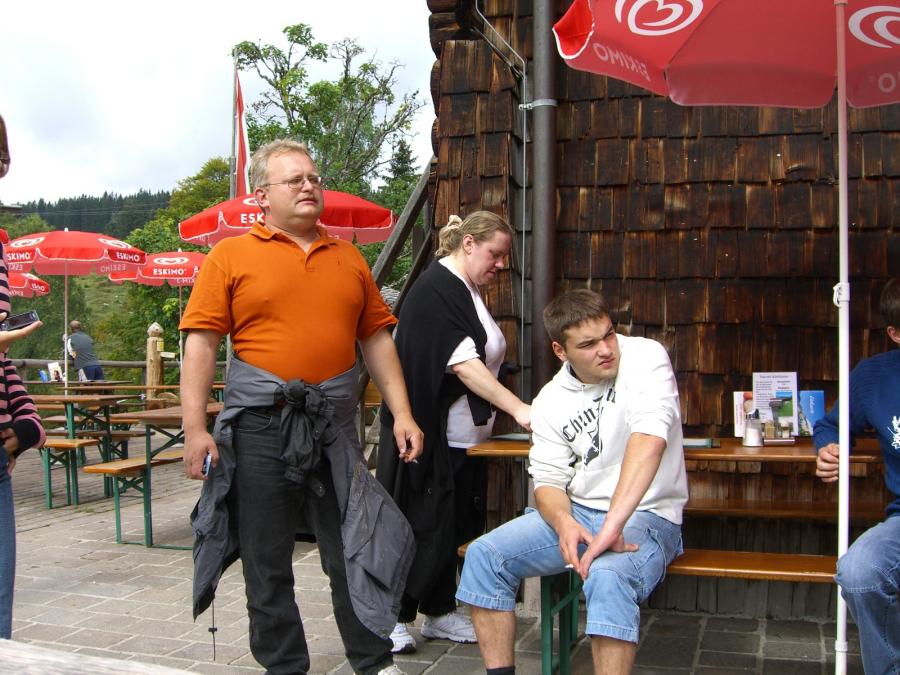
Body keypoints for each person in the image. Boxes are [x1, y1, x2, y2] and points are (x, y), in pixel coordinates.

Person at [180, 138, 424, 675]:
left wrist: (402, 414)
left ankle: (373, 661)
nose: (309, 186)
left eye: (314, 178)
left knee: (353, 546)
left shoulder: (348, 257)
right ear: (261, 196)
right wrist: (195, 427)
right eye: (295, 180)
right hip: (259, 429)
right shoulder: (229, 256)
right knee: (266, 559)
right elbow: (201, 341)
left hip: (333, 429)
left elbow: (376, 339)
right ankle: (285, 667)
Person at [456, 288, 688, 675]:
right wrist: (564, 522)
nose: (606, 350)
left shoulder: (645, 357)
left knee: (608, 576)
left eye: (608, 334)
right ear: (560, 351)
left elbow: (650, 438)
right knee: (485, 557)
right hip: (580, 513)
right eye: (588, 344)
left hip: (647, 514)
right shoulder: (551, 400)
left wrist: (611, 525)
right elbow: (548, 482)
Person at [377, 211, 532, 654]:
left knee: (454, 524)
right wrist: (519, 409)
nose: (500, 264)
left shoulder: (467, 287)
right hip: (430, 434)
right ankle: (392, 617)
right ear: (468, 244)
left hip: (466, 437)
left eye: (503, 256)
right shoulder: (436, 290)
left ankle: (440, 610)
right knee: (422, 524)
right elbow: (465, 366)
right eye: (494, 254)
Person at [814, 277, 900, 675]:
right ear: (895, 334)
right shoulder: (874, 377)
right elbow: (832, 425)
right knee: (858, 572)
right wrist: (829, 449)